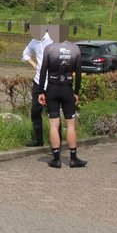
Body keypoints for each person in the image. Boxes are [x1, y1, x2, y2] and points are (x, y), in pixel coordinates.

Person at [36, 37, 87, 169]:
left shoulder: (49, 48)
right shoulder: (75, 49)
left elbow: (43, 71)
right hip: (67, 89)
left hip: (52, 88)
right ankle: (73, 158)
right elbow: (79, 73)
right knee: (70, 125)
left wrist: (41, 91)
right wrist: (76, 92)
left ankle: (56, 158)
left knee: (54, 124)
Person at [20, 25, 53, 146]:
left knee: (53, 112)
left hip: (52, 81)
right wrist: (35, 66)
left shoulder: (52, 38)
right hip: (38, 81)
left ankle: (56, 141)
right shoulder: (33, 42)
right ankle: (38, 140)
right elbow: (25, 54)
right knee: (35, 111)